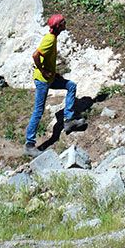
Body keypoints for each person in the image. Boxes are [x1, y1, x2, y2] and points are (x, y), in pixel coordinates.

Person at [25, 13, 84, 154]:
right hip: (43, 81)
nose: (65, 24)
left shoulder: (53, 38)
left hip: (49, 78)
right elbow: (35, 55)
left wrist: (52, 71)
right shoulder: (50, 39)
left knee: (71, 86)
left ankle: (69, 120)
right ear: (58, 26)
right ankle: (29, 145)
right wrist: (44, 71)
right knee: (38, 111)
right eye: (63, 22)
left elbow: (47, 58)